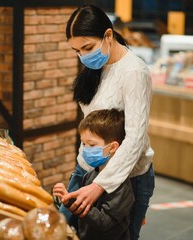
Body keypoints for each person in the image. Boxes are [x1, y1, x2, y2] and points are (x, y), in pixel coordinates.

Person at [58, 5, 155, 240]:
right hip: (87, 169)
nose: (82, 55)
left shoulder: (134, 71)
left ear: (108, 36)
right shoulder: (96, 66)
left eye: (87, 47)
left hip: (126, 179)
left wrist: (100, 185)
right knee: (60, 230)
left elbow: (135, 139)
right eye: (77, 50)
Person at [54, 109, 134, 240]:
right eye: (83, 143)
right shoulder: (90, 175)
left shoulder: (122, 187)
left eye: (91, 145)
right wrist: (68, 199)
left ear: (113, 147)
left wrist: (73, 202)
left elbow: (104, 222)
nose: (85, 150)